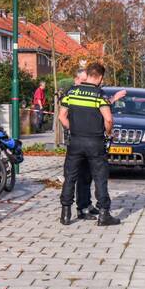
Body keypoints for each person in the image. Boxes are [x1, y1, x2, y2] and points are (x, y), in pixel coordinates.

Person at [58, 62, 120, 226]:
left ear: (87, 74)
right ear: (99, 77)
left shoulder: (71, 91)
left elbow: (61, 117)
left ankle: (65, 214)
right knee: (100, 177)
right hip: (95, 142)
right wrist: (108, 133)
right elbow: (108, 119)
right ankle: (104, 214)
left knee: (70, 177)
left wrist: (75, 129)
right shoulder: (99, 95)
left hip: (75, 141)